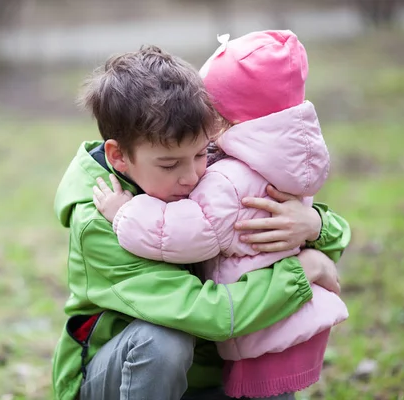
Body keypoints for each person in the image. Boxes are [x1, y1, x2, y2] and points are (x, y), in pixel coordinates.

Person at [52, 44, 347, 400]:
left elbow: (300, 230)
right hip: (115, 382)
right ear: (119, 156)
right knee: (162, 340)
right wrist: (304, 269)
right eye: (169, 164)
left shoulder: (210, 176)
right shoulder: (100, 221)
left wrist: (314, 225)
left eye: (199, 153)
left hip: (209, 380)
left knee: (269, 333)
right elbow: (209, 314)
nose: (191, 176)